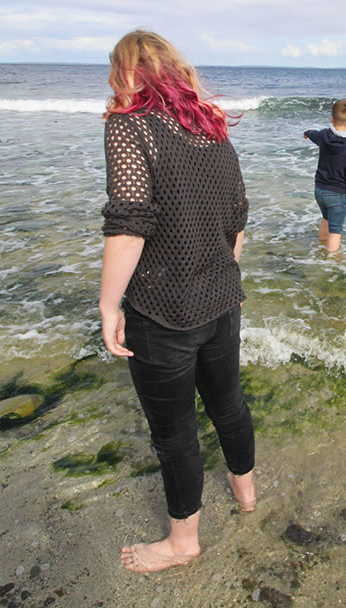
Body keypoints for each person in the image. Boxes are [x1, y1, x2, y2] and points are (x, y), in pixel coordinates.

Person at [98, 30, 256, 573]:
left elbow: (129, 225)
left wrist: (109, 306)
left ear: (128, 73)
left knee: (175, 434)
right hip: (222, 299)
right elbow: (237, 217)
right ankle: (246, 494)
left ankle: (183, 542)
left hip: (161, 311)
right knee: (229, 404)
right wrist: (220, 275)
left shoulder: (129, 126)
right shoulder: (210, 127)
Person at [303, 100, 346, 252]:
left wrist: (307, 133)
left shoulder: (324, 135)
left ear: (331, 118)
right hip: (337, 194)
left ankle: (322, 246)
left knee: (326, 219)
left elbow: (313, 134)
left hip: (320, 190)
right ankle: (331, 263)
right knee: (335, 231)